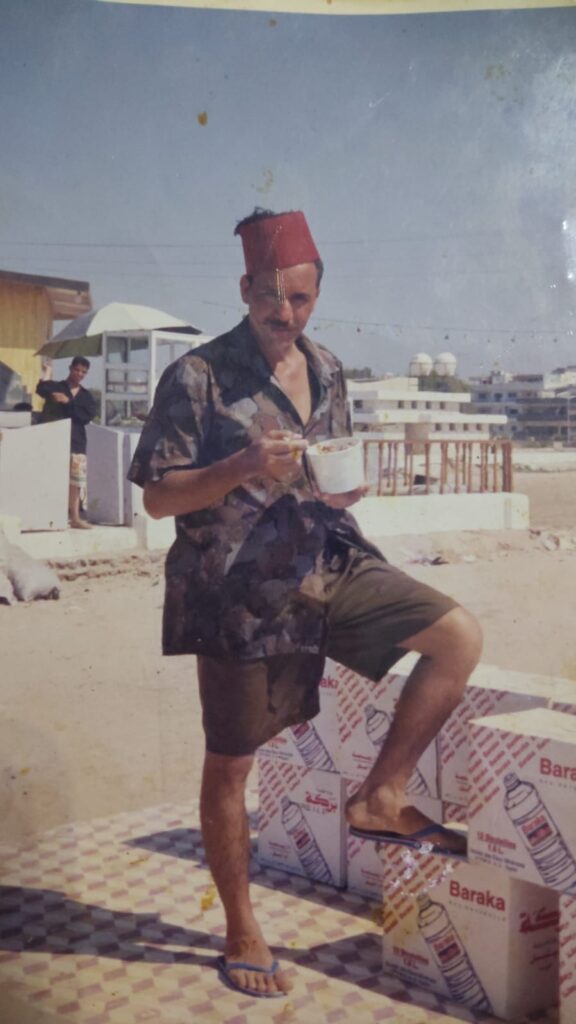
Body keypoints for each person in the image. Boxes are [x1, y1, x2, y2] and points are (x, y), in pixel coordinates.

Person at [128, 208, 482, 999]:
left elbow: (325, 466)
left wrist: (340, 487)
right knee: (231, 765)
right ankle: (240, 928)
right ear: (243, 289)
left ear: (316, 296)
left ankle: (381, 796)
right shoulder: (198, 376)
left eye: (299, 298)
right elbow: (157, 497)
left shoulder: (327, 367)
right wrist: (241, 465)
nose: (283, 313)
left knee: (456, 636)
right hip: (238, 594)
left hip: (327, 562)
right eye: (268, 295)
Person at [36, 356, 97, 529]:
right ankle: (49, 515)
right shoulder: (58, 387)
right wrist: (47, 371)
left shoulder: (86, 396)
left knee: (75, 482)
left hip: (76, 441)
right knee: (52, 477)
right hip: (54, 440)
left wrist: (68, 402)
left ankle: (75, 518)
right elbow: (41, 389)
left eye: (83, 372)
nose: (79, 374)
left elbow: (86, 416)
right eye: (77, 370)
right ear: (70, 369)